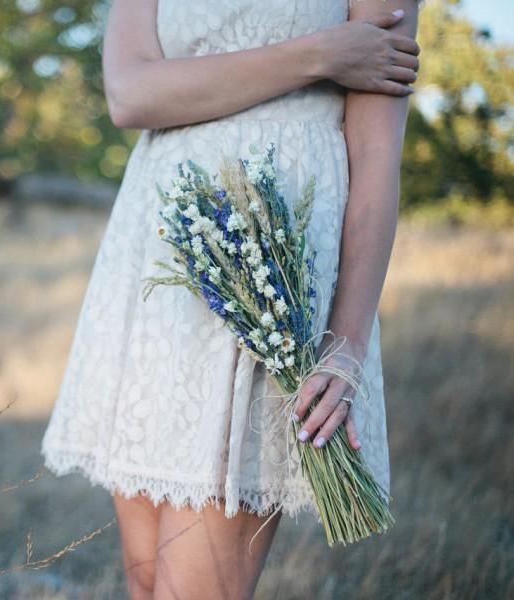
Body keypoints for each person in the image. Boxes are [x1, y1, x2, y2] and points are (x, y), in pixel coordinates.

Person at [40, 0, 422, 598]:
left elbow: (376, 159)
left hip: (274, 274)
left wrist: (344, 344)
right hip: (158, 264)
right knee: (145, 587)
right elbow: (131, 94)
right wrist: (320, 53)